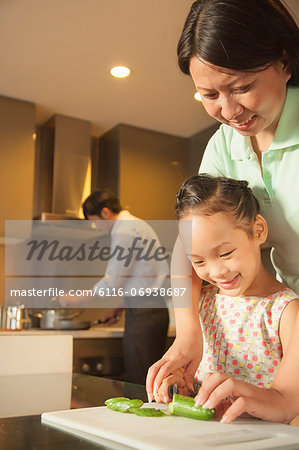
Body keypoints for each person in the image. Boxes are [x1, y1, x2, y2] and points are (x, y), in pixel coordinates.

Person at [146, 0, 299, 418]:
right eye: (209, 94)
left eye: (242, 86)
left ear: (284, 61)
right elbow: (193, 236)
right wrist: (187, 334)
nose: (229, 112)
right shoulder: (225, 142)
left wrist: (288, 393)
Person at [154, 174, 299, 424]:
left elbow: (286, 405)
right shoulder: (202, 303)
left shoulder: (287, 312)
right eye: (198, 261)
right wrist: (182, 387)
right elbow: (200, 389)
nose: (216, 272)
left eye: (226, 253)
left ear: (258, 230)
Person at [60, 189, 169, 384]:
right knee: (147, 379)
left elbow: (113, 281)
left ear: (105, 212)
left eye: (94, 221)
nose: (96, 227)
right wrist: (120, 306)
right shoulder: (135, 225)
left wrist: (74, 299)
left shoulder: (124, 230)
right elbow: (140, 276)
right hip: (150, 309)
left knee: (141, 381)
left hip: (145, 313)